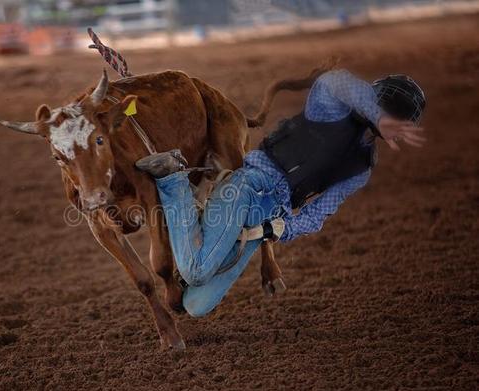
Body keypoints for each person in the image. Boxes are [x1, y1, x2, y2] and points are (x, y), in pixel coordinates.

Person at [135, 69, 426, 317]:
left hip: (268, 218)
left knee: (197, 306)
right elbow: (334, 80)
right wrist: (377, 115)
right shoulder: (331, 109)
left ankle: (199, 229)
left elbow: (318, 213)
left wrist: (281, 228)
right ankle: (172, 178)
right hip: (248, 185)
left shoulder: (361, 168)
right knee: (196, 271)